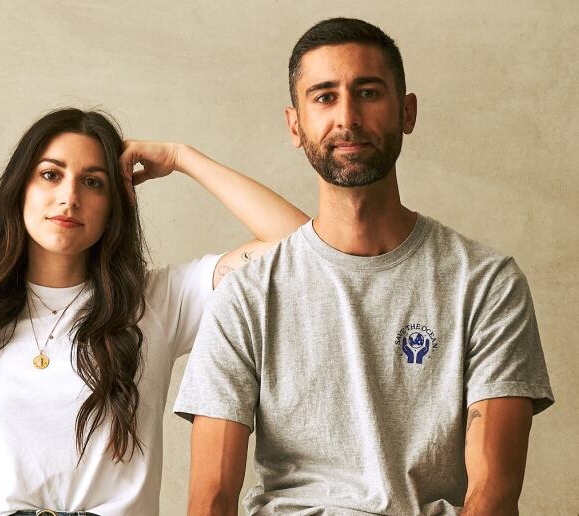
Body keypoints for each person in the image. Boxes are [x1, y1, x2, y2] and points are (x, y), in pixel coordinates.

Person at [0, 108, 309, 516]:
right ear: (21, 189)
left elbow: (301, 246)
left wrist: (183, 158)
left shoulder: (157, 302)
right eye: (50, 174)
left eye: (94, 182)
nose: (69, 196)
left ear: (116, 204)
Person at [174, 18, 553, 515]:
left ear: (407, 112)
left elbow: (493, 494)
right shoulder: (246, 295)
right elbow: (211, 498)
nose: (347, 117)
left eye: (368, 92)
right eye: (324, 97)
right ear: (295, 124)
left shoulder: (486, 283)